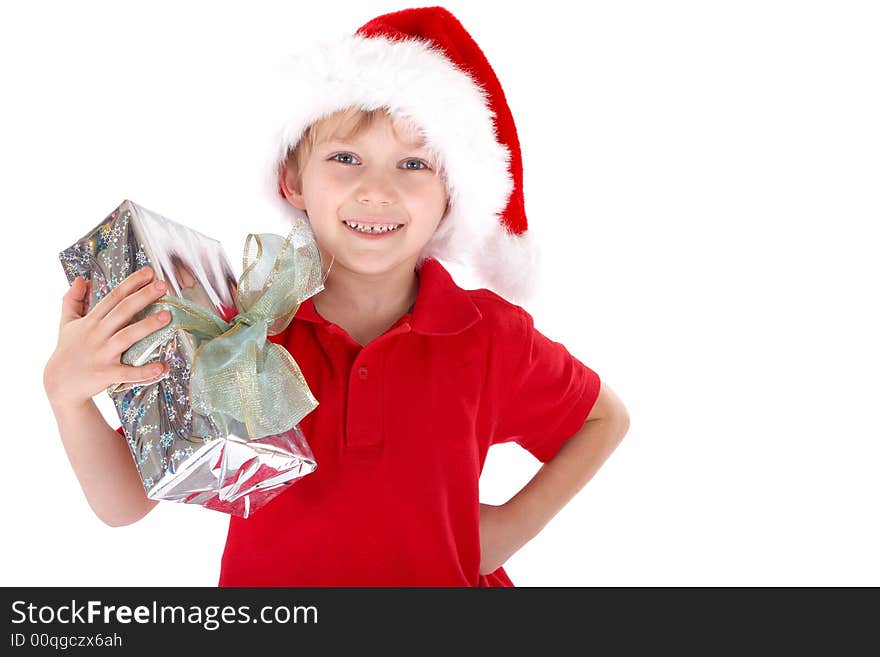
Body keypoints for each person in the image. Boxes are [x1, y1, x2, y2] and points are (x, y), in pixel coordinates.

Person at [43, 6, 630, 586]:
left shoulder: (490, 335)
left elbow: (604, 417)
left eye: (414, 164)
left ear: (452, 196)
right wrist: (67, 395)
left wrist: (507, 529)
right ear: (292, 180)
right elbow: (124, 502)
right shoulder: (235, 326)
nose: (376, 191)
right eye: (345, 158)